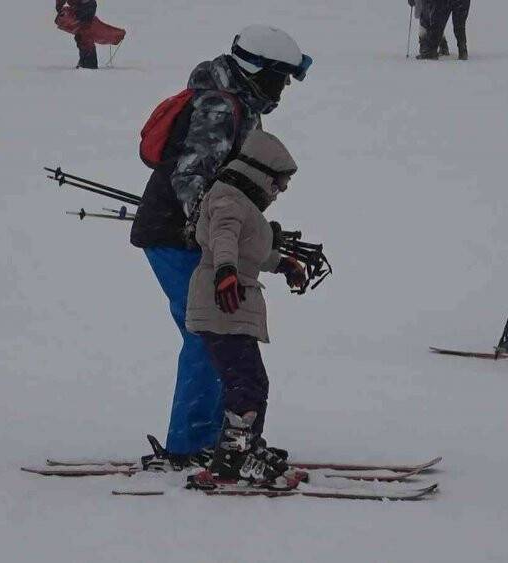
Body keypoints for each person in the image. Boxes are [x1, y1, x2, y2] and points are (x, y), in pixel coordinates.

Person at [129, 27, 312, 470]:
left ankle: (216, 435)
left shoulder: (241, 105)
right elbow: (193, 178)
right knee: (206, 332)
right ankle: (190, 444)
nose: (284, 90)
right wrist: (219, 235)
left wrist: (255, 232)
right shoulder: (217, 106)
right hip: (177, 236)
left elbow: (231, 186)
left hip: (198, 235)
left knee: (218, 332)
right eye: (280, 78)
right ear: (258, 71)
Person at [186, 130, 307, 486]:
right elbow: (224, 235)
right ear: (261, 172)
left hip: (229, 304)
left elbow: (249, 249)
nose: (277, 193)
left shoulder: (240, 201)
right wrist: (225, 271)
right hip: (223, 302)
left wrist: (284, 264)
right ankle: (235, 458)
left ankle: (244, 448)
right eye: (278, 185)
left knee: (249, 381)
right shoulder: (228, 199)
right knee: (246, 383)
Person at [55, 0, 99, 69]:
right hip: (81, 7)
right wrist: (59, 7)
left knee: (84, 35)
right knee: (80, 35)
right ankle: (85, 61)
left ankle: (89, 63)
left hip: (87, 6)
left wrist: (59, 6)